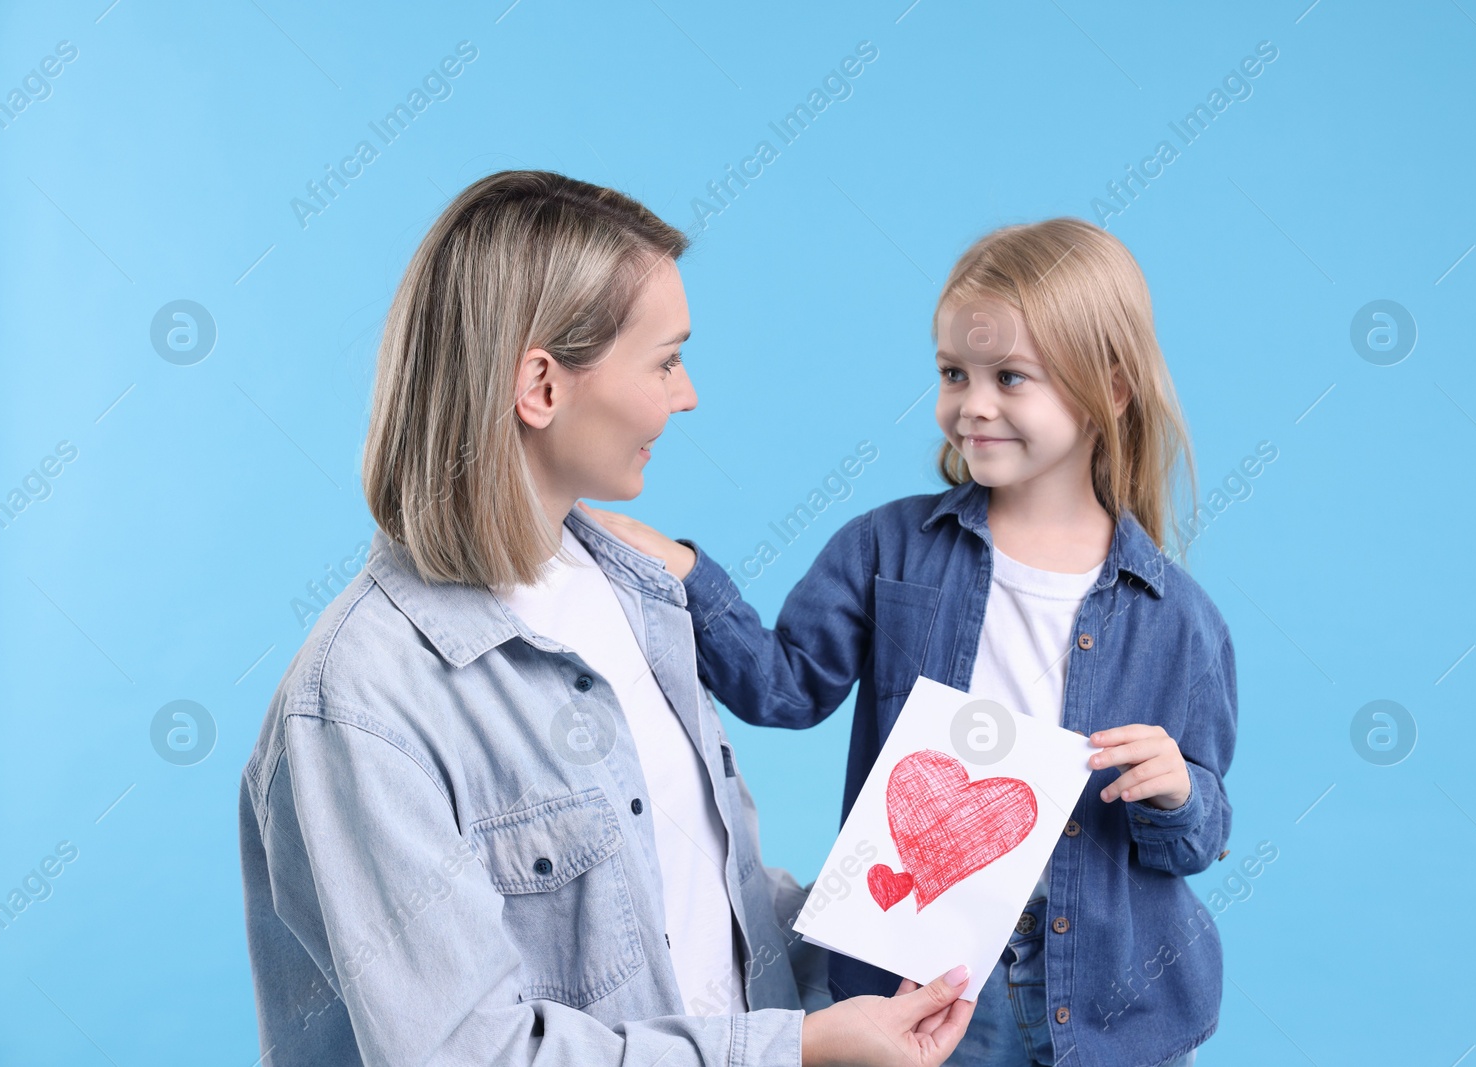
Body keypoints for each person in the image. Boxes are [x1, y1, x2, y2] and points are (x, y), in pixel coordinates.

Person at [236, 169, 973, 1066]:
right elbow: (472, 1053)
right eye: (664, 360)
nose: (687, 393)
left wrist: (897, 919)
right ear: (541, 386)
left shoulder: (639, 592)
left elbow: (699, 913)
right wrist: (800, 1050)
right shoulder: (360, 707)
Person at [589, 216, 1236, 1067]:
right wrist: (684, 574)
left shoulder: (1176, 616)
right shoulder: (886, 550)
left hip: (1109, 998)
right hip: (921, 978)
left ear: (1109, 391)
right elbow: (784, 686)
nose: (973, 404)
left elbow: (1204, 832)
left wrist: (1176, 789)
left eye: (1011, 376)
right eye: (953, 373)